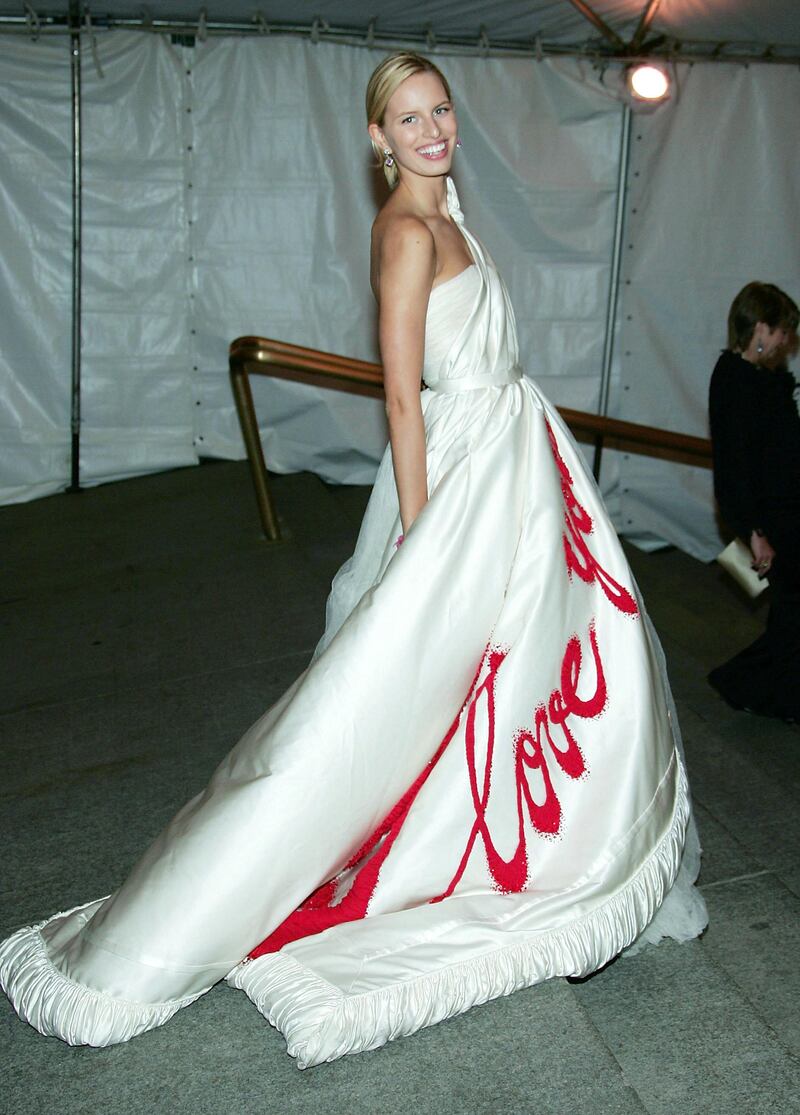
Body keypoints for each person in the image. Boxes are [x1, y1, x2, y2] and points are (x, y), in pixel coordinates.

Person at [0, 52, 707, 1068]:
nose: (430, 129)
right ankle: (197, 908)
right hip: (469, 486)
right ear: (377, 140)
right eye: (407, 119)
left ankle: (530, 841)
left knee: (544, 667)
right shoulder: (407, 231)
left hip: (522, 464)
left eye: (439, 110)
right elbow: (400, 395)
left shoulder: (448, 212)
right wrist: (423, 534)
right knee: (381, 705)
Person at [708, 282, 800, 721]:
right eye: (784, 331)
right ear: (761, 327)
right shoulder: (736, 382)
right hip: (773, 517)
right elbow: (734, 464)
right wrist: (754, 532)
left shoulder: (764, 380)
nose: (787, 341)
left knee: (790, 612)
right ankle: (745, 683)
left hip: (787, 509)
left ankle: (752, 685)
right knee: (792, 612)